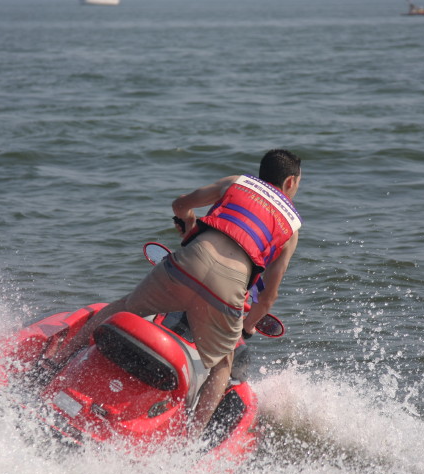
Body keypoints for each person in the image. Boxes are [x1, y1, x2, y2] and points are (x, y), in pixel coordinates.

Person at [54, 149, 302, 436]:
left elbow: (180, 205)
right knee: (222, 364)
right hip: (227, 288)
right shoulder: (292, 228)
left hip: (188, 264)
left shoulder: (237, 182)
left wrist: (189, 226)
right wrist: (246, 329)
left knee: (122, 307)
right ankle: (189, 442)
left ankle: (59, 362)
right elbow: (269, 296)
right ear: (290, 182)